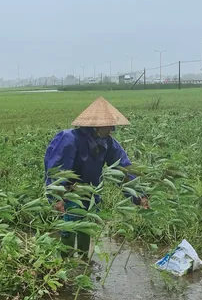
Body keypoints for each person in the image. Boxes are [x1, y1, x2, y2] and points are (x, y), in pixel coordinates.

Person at [44, 97, 149, 252]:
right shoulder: (70, 139)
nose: (112, 129)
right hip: (69, 193)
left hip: (90, 193)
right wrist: (57, 198)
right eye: (108, 126)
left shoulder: (108, 143)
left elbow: (123, 169)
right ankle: (65, 264)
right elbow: (57, 168)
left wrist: (139, 195)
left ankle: (83, 263)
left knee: (86, 227)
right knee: (70, 227)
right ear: (96, 126)